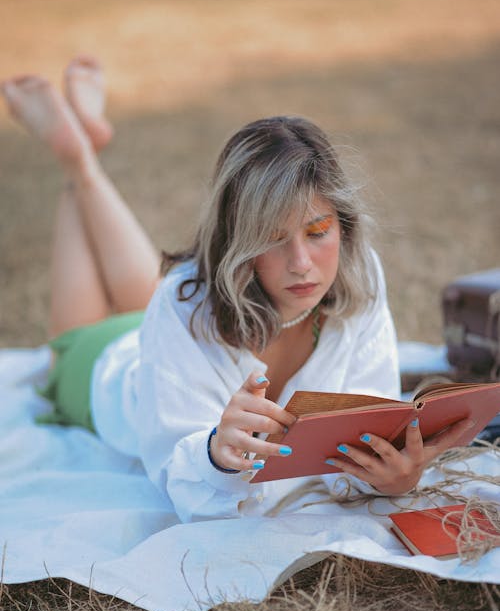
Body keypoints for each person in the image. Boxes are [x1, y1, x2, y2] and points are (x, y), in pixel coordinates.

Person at [1, 57, 472, 523]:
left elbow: (367, 421)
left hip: (176, 320)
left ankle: (83, 153)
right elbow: (179, 470)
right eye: (271, 237)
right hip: (107, 366)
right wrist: (215, 454)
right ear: (239, 241)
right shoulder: (182, 301)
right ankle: (75, 160)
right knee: (64, 345)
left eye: (318, 229)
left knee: (160, 292)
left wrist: (393, 477)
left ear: (343, 226)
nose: (303, 264)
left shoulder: (357, 272)